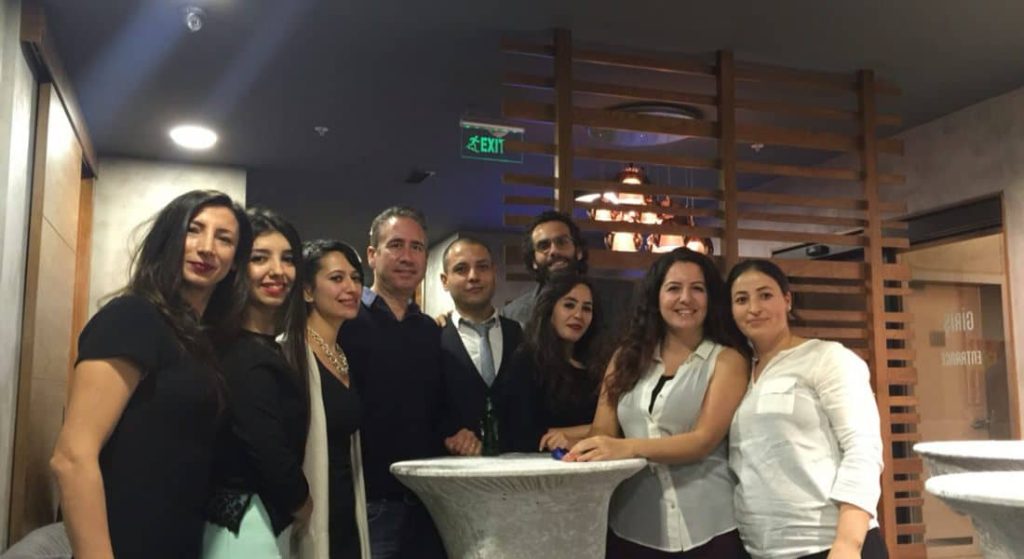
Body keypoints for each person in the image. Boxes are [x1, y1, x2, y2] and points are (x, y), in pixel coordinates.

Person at [50, 190, 252, 558]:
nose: (207, 248)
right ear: (169, 239)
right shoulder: (133, 316)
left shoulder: (200, 340)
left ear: (235, 263)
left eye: (224, 239)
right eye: (193, 230)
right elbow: (72, 457)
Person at [565, 248, 750, 558]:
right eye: (674, 288)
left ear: (710, 298)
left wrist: (627, 447)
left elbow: (703, 441)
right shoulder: (625, 358)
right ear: (656, 296)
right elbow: (603, 430)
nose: (685, 298)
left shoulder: (727, 360)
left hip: (710, 528)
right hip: (632, 524)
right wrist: (582, 443)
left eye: (697, 289)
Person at [726, 259, 886, 559]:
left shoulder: (826, 357)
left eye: (765, 295)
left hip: (828, 544)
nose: (754, 308)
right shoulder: (738, 373)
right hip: (761, 550)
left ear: (787, 300)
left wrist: (848, 544)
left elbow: (863, 448)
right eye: (741, 300)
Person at [203, 208, 312, 557]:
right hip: (243, 527)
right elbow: (269, 450)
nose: (278, 271)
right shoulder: (241, 353)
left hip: (254, 521)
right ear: (236, 267)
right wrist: (302, 503)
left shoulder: (264, 347)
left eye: (288, 259)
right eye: (260, 258)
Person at [337, 207, 445, 559]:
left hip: (426, 502)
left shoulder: (430, 331)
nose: (407, 257)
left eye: (417, 247)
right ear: (372, 255)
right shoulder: (344, 322)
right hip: (368, 502)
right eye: (396, 245)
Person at [300, 239, 371, 559]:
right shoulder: (291, 353)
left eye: (355, 278)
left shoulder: (341, 354)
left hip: (345, 508)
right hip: (308, 511)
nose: (351, 288)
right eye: (337, 278)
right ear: (307, 291)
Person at [500, 273, 604, 453]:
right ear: (550, 310)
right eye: (569, 305)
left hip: (593, 463)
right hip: (540, 464)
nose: (578, 315)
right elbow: (521, 433)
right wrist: (594, 431)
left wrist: (570, 435)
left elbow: (617, 428)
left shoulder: (599, 364)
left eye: (587, 309)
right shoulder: (527, 360)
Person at [438, 237, 523, 456]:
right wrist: (446, 434)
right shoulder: (434, 337)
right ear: (445, 281)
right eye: (461, 269)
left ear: (494, 272)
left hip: (518, 467)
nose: (473, 276)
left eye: (482, 267)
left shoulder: (520, 335)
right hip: (452, 469)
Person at [500, 211, 587, 328]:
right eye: (544, 246)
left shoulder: (608, 306)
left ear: (579, 252)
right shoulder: (513, 316)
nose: (554, 251)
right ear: (533, 262)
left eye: (562, 242)